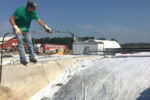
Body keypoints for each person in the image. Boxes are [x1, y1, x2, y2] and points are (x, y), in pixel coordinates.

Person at [10, 0, 52, 65]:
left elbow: (38, 20)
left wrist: (45, 27)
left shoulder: (33, 12)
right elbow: (11, 19)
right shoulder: (20, 10)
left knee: (30, 42)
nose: (34, 10)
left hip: (26, 30)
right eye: (33, 8)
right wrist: (16, 27)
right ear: (29, 7)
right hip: (18, 28)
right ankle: (23, 59)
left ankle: (32, 57)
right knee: (20, 42)